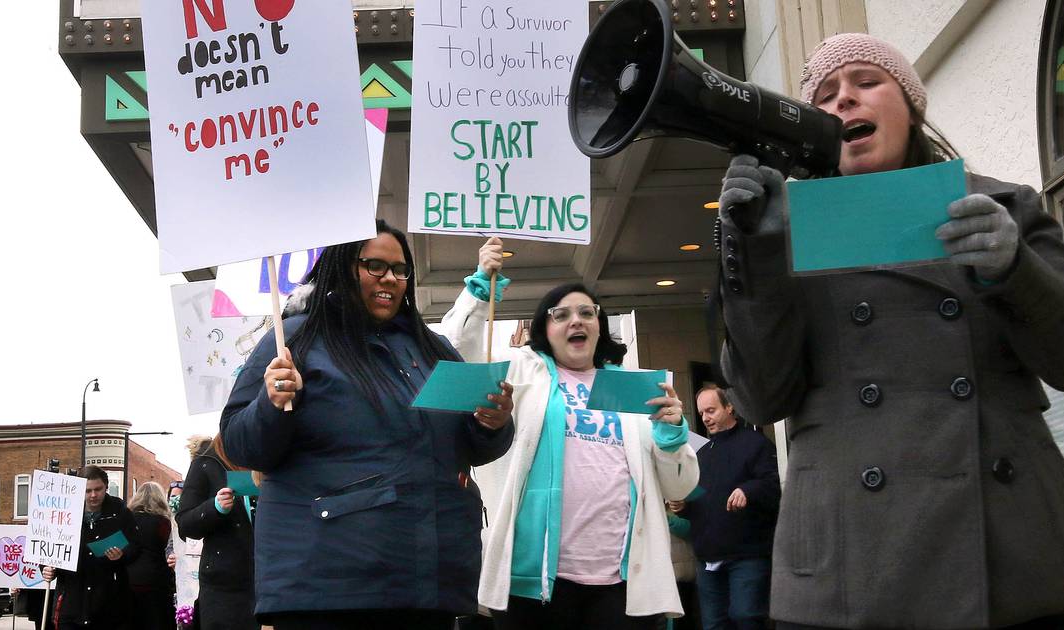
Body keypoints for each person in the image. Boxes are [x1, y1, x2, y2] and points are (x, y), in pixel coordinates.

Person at [714, 33, 1064, 629]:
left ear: (911, 106)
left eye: (866, 81)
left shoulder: (1004, 208)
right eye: (825, 95)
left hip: (1008, 560)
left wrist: (1016, 270)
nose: (844, 99)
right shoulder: (783, 233)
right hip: (848, 568)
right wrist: (754, 258)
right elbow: (760, 399)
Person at [219, 219, 515, 630]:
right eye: (375, 265)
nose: (390, 278)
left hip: (428, 585)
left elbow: (472, 447)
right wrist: (271, 404)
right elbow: (239, 444)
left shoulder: (433, 348)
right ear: (342, 267)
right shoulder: (295, 339)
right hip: (327, 587)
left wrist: (492, 423)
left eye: (400, 269)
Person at [438, 237, 700, 629]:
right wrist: (480, 288)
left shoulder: (635, 387)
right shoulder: (523, 371)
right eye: (560, 315)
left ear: (599, 325)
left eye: (586, 313)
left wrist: (672, 433)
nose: (576, 321)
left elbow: (680, 486)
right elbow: (456, 351)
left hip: (624, 582)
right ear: (544, 329)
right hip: (534, 580)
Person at [670, 385, 779, 630]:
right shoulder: (701, 453)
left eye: (711, 410)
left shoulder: (756, 443)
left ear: (730, 407)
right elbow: (700, 501)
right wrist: (682, 506)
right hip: (707, 556)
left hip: (748, 554)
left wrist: (747, 490)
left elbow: (774, 485)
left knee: (746, 617)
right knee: (713, 624)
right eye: (702, 413)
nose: (705, 418)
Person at [42, 465, 140, 630]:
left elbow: (136, 546)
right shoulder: (63, 511)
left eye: (98, 489)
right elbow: (48, 546)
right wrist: (46, 568)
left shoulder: (120, 512)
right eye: (88, 491)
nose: (93, 495)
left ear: (106, 487)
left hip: (109, 604)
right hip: (71, 603)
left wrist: (122, 554)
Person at [176, 435, 257, 630]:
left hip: (268, 581)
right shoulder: (206, 463)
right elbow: (185, 524)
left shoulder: (266, 458)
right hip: (224, 587)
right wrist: (215, 507)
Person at [126, 481, 176, 630]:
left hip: (129, 580)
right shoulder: (164, 523)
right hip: (156, 582)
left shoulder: (127, 520)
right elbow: (168, 547)